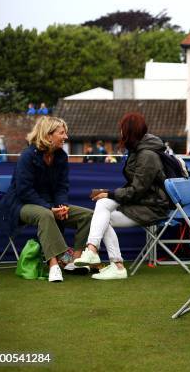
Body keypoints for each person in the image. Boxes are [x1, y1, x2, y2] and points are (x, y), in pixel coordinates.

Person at [0, 116, 93, 282]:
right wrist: (49, 207)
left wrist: (61, 206)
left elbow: (62, 187)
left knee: (88, 215)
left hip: (49, 204)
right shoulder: (27, 156)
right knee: (45, 215)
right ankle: (54, 265)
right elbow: (24, 191)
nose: (66, 137)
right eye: (62, 133)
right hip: (21, 204)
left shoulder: (61, 156)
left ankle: (75, 261)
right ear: (48, 135)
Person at [74, 112, 170, 280]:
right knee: (102, 212)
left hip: (152, 208)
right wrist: (108, 194)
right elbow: (136, 189)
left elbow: (136, 190)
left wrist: (109, 193)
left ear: (129, 131)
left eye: (122, 129)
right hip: (143, 202)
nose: (120, 133)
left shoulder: (147, 155)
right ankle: (103, 257)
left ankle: (101, 256)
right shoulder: (138, 150)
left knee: (103, 209)